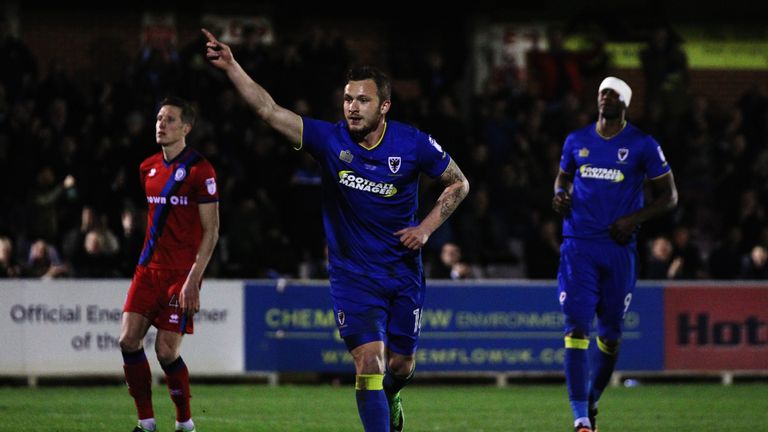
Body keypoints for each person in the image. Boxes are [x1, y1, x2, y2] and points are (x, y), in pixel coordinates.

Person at [202, 28, 469, 432]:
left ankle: (393, 395)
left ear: (384, 107)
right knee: (370, 361)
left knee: (400, 365)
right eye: (348, 99)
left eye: (363, 100)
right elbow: (270, 111)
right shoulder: (330, 140)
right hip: (352, 275)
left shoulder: (412, 144)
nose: (353, 107)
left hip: (402, 272)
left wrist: (427, 228)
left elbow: (458, 183)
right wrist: (232, 66)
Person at [552, 76, 678, 432]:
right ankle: (580, 418)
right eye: (601, 93)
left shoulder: (642, 144)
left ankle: (591, 398)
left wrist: (633, 219)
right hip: (578, 245)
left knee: (609, 335)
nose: (605, 97)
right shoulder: (577, 141)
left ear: (624, 103)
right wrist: (559, 196)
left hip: (619, 250)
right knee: (576, 325)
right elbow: (561, 179)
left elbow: (669, 197)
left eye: (613, 94)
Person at [119, 96, 219, 432]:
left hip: (181, 275)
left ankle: (185, 424)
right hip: (147, 270)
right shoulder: (146, 167)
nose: (161, 124)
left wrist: (194, 279)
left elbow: (212, 230)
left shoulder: (200, 170)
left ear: (186, 127)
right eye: (159, 118)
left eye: (170, 119)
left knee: (165, 351)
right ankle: (146, 423)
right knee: (128, 341)